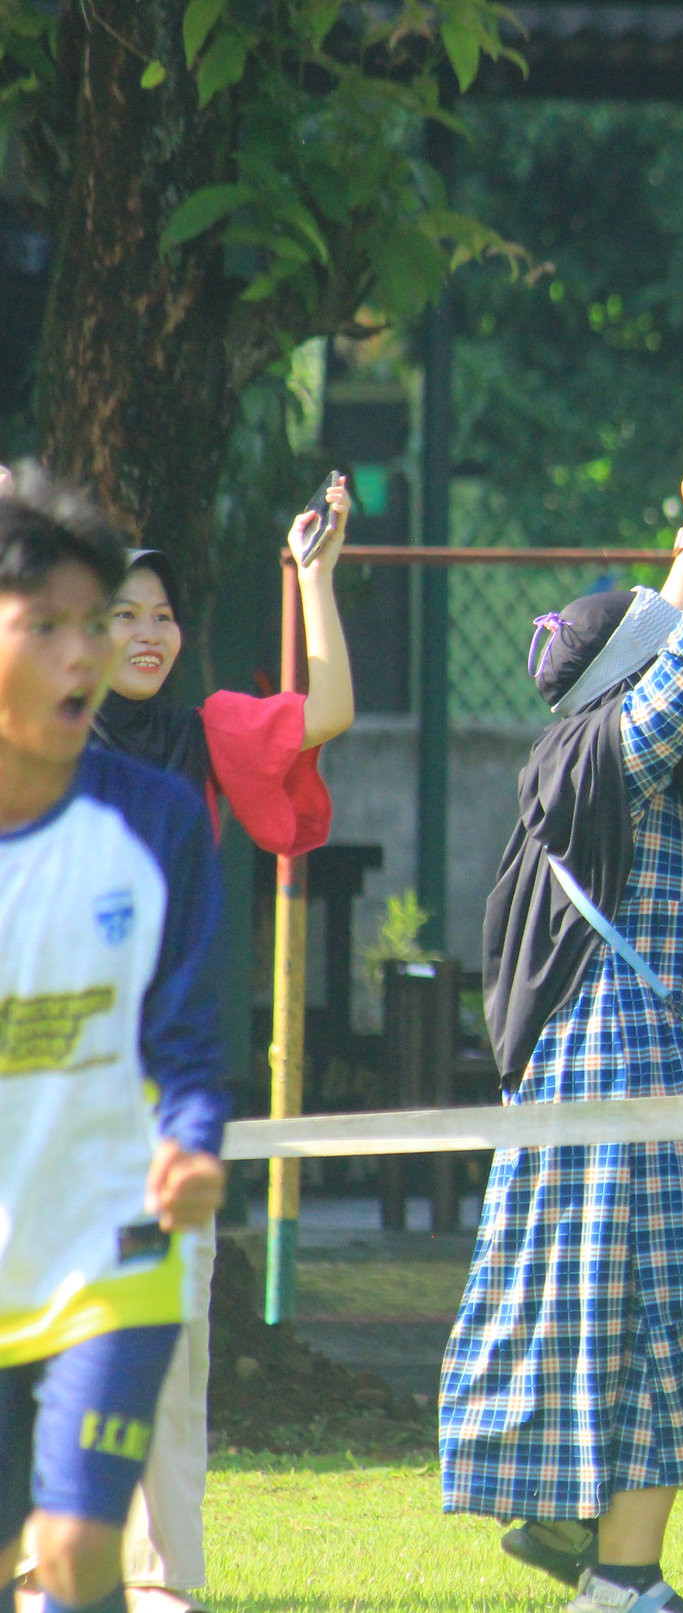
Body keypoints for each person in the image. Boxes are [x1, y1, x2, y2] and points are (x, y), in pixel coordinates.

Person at [444, 446, 683, 1613]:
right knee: (659, 1312)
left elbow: (663, 638)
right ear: (627, 683)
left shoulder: (582, 755)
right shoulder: (618, 759)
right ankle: (620, 1573)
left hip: (605, 1079)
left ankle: (574, 1524)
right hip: (624, 1076)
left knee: (595, 1306)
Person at [75, 484, 356, 1613]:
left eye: (163, 614)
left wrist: (315, 576)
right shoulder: (30, 736)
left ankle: (161, 1577)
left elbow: (325, 705)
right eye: (122, 613)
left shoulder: (208, 736)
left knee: (169, 1340)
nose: (148, 634)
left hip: (157, 1092)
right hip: (38, 1086)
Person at [0, 468, 226, 1613]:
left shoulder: (160, 821)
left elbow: (188, 1042)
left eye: (99, 625)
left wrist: (191, 1137)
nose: (83, 654)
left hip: (113, 1250)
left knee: (81, 1545)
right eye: (48, 628)